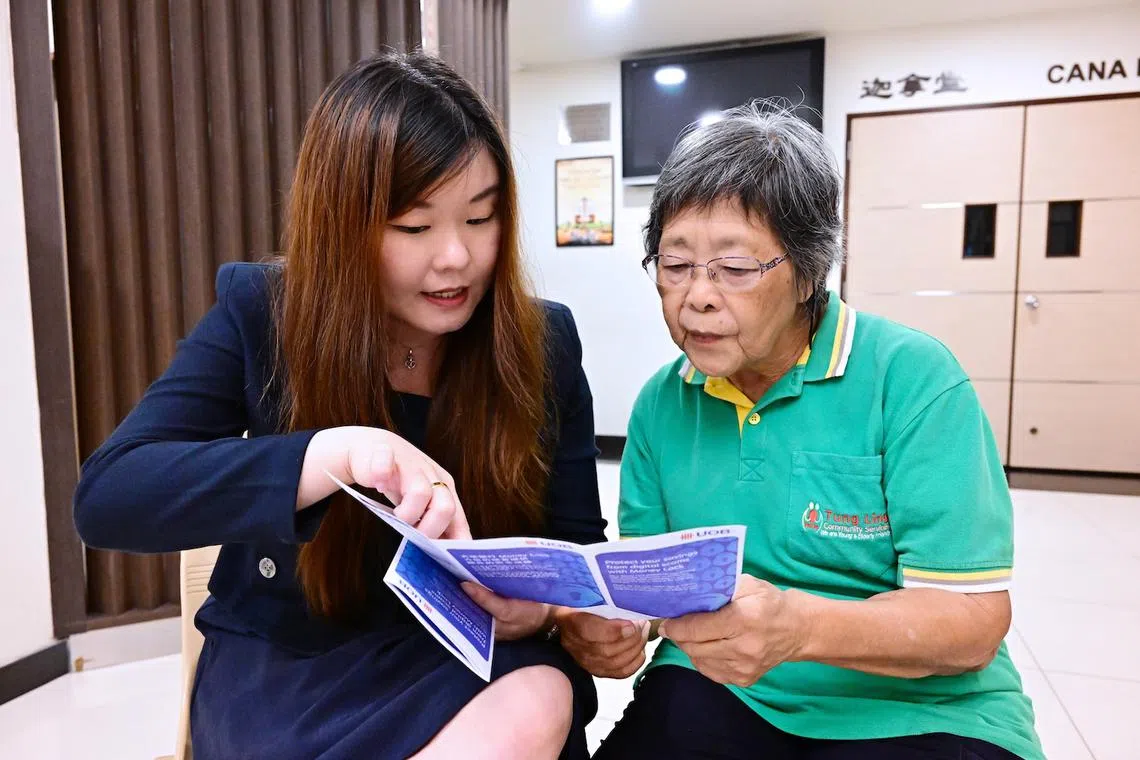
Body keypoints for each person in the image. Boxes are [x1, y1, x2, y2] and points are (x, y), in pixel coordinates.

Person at [72, 51, 605, 760]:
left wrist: (541, 609)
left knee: (540, 699)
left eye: (481, 219)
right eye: (414, 228)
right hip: (292, 661)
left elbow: (576, 550)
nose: (456, 258)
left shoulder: (542, 343)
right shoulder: (264, 314)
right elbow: (110, 495)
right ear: (341, 225)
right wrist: (331, 453)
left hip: (466, 661)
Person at [557, 101, 1044, 760]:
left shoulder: (913, 380)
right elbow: (651, 590)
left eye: (733, 269)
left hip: (919, 709)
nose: (696, 296)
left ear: (809, 272)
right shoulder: (660, 407)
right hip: (724, 687)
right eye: (674, 266)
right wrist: (617, 630)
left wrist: (796, 627)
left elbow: (972, 625)